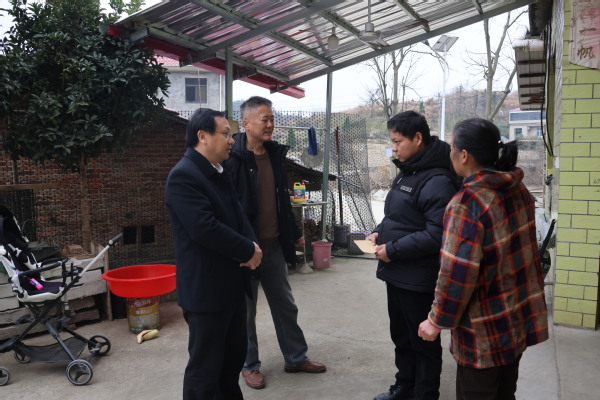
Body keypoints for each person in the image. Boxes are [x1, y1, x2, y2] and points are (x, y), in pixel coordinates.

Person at [418, 118, 548, 400]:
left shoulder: (467, 204)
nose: (450, 153)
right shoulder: (518, 190)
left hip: (483, 332)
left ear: (464, 155)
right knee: (505, 393)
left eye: (452, 147)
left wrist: (436, 320)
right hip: (515, 321)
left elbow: (456, 275)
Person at [224, 96, 326, 390]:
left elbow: (281, 198)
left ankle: (295, 357)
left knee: (285, 305)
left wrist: (292, 232)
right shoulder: (232, 159)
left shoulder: (274, 155)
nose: (270, 124)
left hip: (274, 246)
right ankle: (249, 365)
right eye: (264, 119)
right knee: (246, 312)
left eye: (272, 119)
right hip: (246, 250)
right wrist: (238, 247)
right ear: (246, 123)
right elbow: (228, 207)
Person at [165, 108, 263, 400]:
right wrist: (247, 250)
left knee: (231, 363)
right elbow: (204, 228)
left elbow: (239, 216)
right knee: (205, 371)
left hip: (231, 285)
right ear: (203, 136)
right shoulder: (184, 176)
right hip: (206, 291)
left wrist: (253, 247)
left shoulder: (218, 171)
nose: (232, 140)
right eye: (225, 134)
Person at [367, 110, 459, 400]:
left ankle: (425, 393)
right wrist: (377, 233)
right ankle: (405, 384)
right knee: (402, 335)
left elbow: (436, 234)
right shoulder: (409, 171)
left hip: (418, 277)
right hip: (397, 272)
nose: (393, 148)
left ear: (418, 138)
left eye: (397, 141)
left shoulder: (438, 180)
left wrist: (392, 249)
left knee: (422, 340)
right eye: (392, 141)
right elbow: (396, 215)